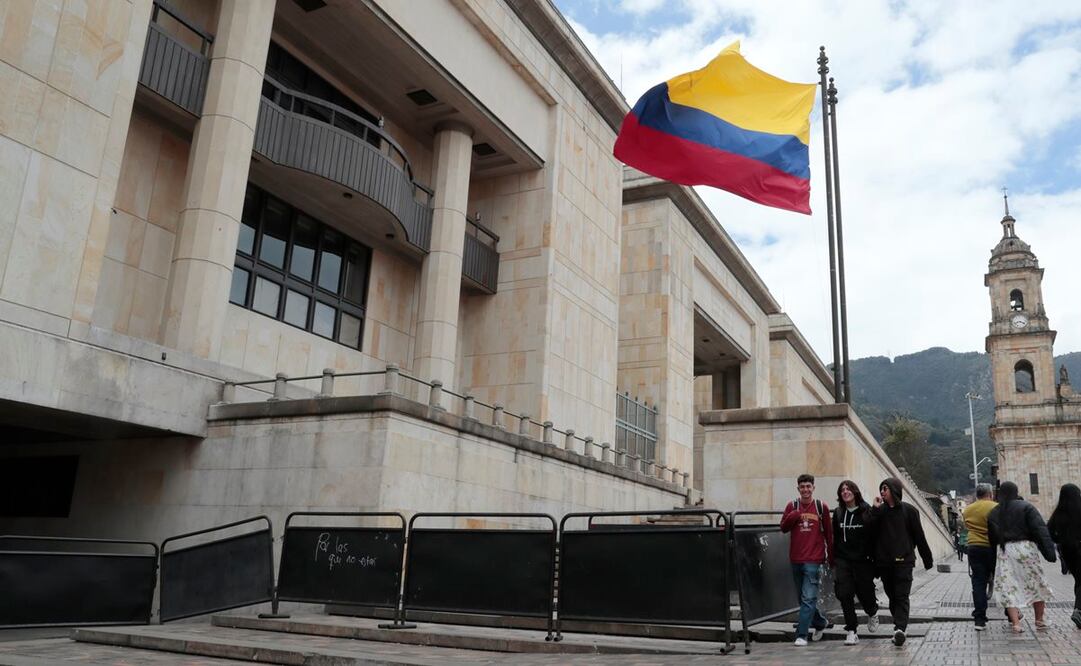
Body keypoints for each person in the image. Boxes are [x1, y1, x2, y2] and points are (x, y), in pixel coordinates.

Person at [866, 477, 933, 647]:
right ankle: (899, 626)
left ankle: (900, 628)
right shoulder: (879, 512)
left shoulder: (909, 511)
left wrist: (927, 559)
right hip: (884, 563)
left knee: (902, 596)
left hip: (904, 561)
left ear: (894, 490)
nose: (882, 492)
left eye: (885, 488)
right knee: (892, 596)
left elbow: (919, 536)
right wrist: (874, 509)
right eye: (881, 488)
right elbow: (869, 531)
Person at [987, 481, 1056, 633]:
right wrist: (1049, 552)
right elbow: (1040, 530)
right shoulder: (1026, 507)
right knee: (1036, 581)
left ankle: (1016, 624)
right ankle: (1039, 620)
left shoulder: (994, 512)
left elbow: (992, 538)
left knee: (1008, 586)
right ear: (1016, 492)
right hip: (1026, 548)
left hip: (1004, 550)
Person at [780, 473, 834, 647]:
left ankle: (802, 635)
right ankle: (820, 622)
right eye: (802, 487)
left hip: (814, 559)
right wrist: (794, 515)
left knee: (808, 598)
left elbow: (829, 534)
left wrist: (830, 558)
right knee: (803, 599)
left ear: (813, 488)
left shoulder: (821, 507)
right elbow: (783, 528)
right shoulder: (792, 506)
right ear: (798, 488)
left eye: (808, 486)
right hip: (795, 558)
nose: (805, 490)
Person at [831, 480, 880, 645]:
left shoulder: (866, 510)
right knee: (844, 594)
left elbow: (874, 534)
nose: (845, 492)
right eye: (842, 490)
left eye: (848, 489)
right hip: (843, 560)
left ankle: (872, 612)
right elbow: (835, 538)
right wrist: (834, 559)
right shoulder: (838, 513)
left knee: (865, 593)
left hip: (863, 561)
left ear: (855, 491)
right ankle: (851, 630)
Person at [963, 483, 998, 630]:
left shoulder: (968, 510)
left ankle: (979, 619)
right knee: (1002, 580)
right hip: (992, 547)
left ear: (977, 495)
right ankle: (1012, 615)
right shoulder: (995, 507)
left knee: (978, 582)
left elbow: (967, 526)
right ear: (990, 494)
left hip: (974, 547)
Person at [1048, 483, 1081, 629]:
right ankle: (1078, 610)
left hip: (1067, 551)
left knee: (1078, 579)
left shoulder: (1058, 513)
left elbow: (1049, 533)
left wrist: (1061, 541)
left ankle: (1079, 610)